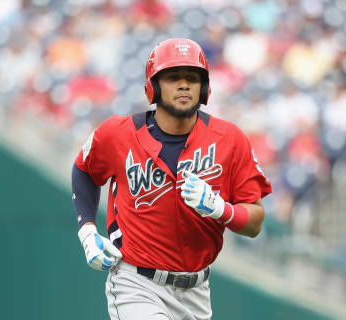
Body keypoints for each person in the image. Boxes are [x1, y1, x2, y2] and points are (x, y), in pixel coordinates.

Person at [71, 38, 272, 320]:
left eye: (192, 77)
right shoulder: (118, 133)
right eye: (172, 77)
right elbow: (83, 169)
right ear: (153, 86)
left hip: (198, 290)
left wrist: (220, 209)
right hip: (136, 283)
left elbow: (255, 222)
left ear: (204, 87)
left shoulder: (230, 139)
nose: (183, 85)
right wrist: (87, 231)